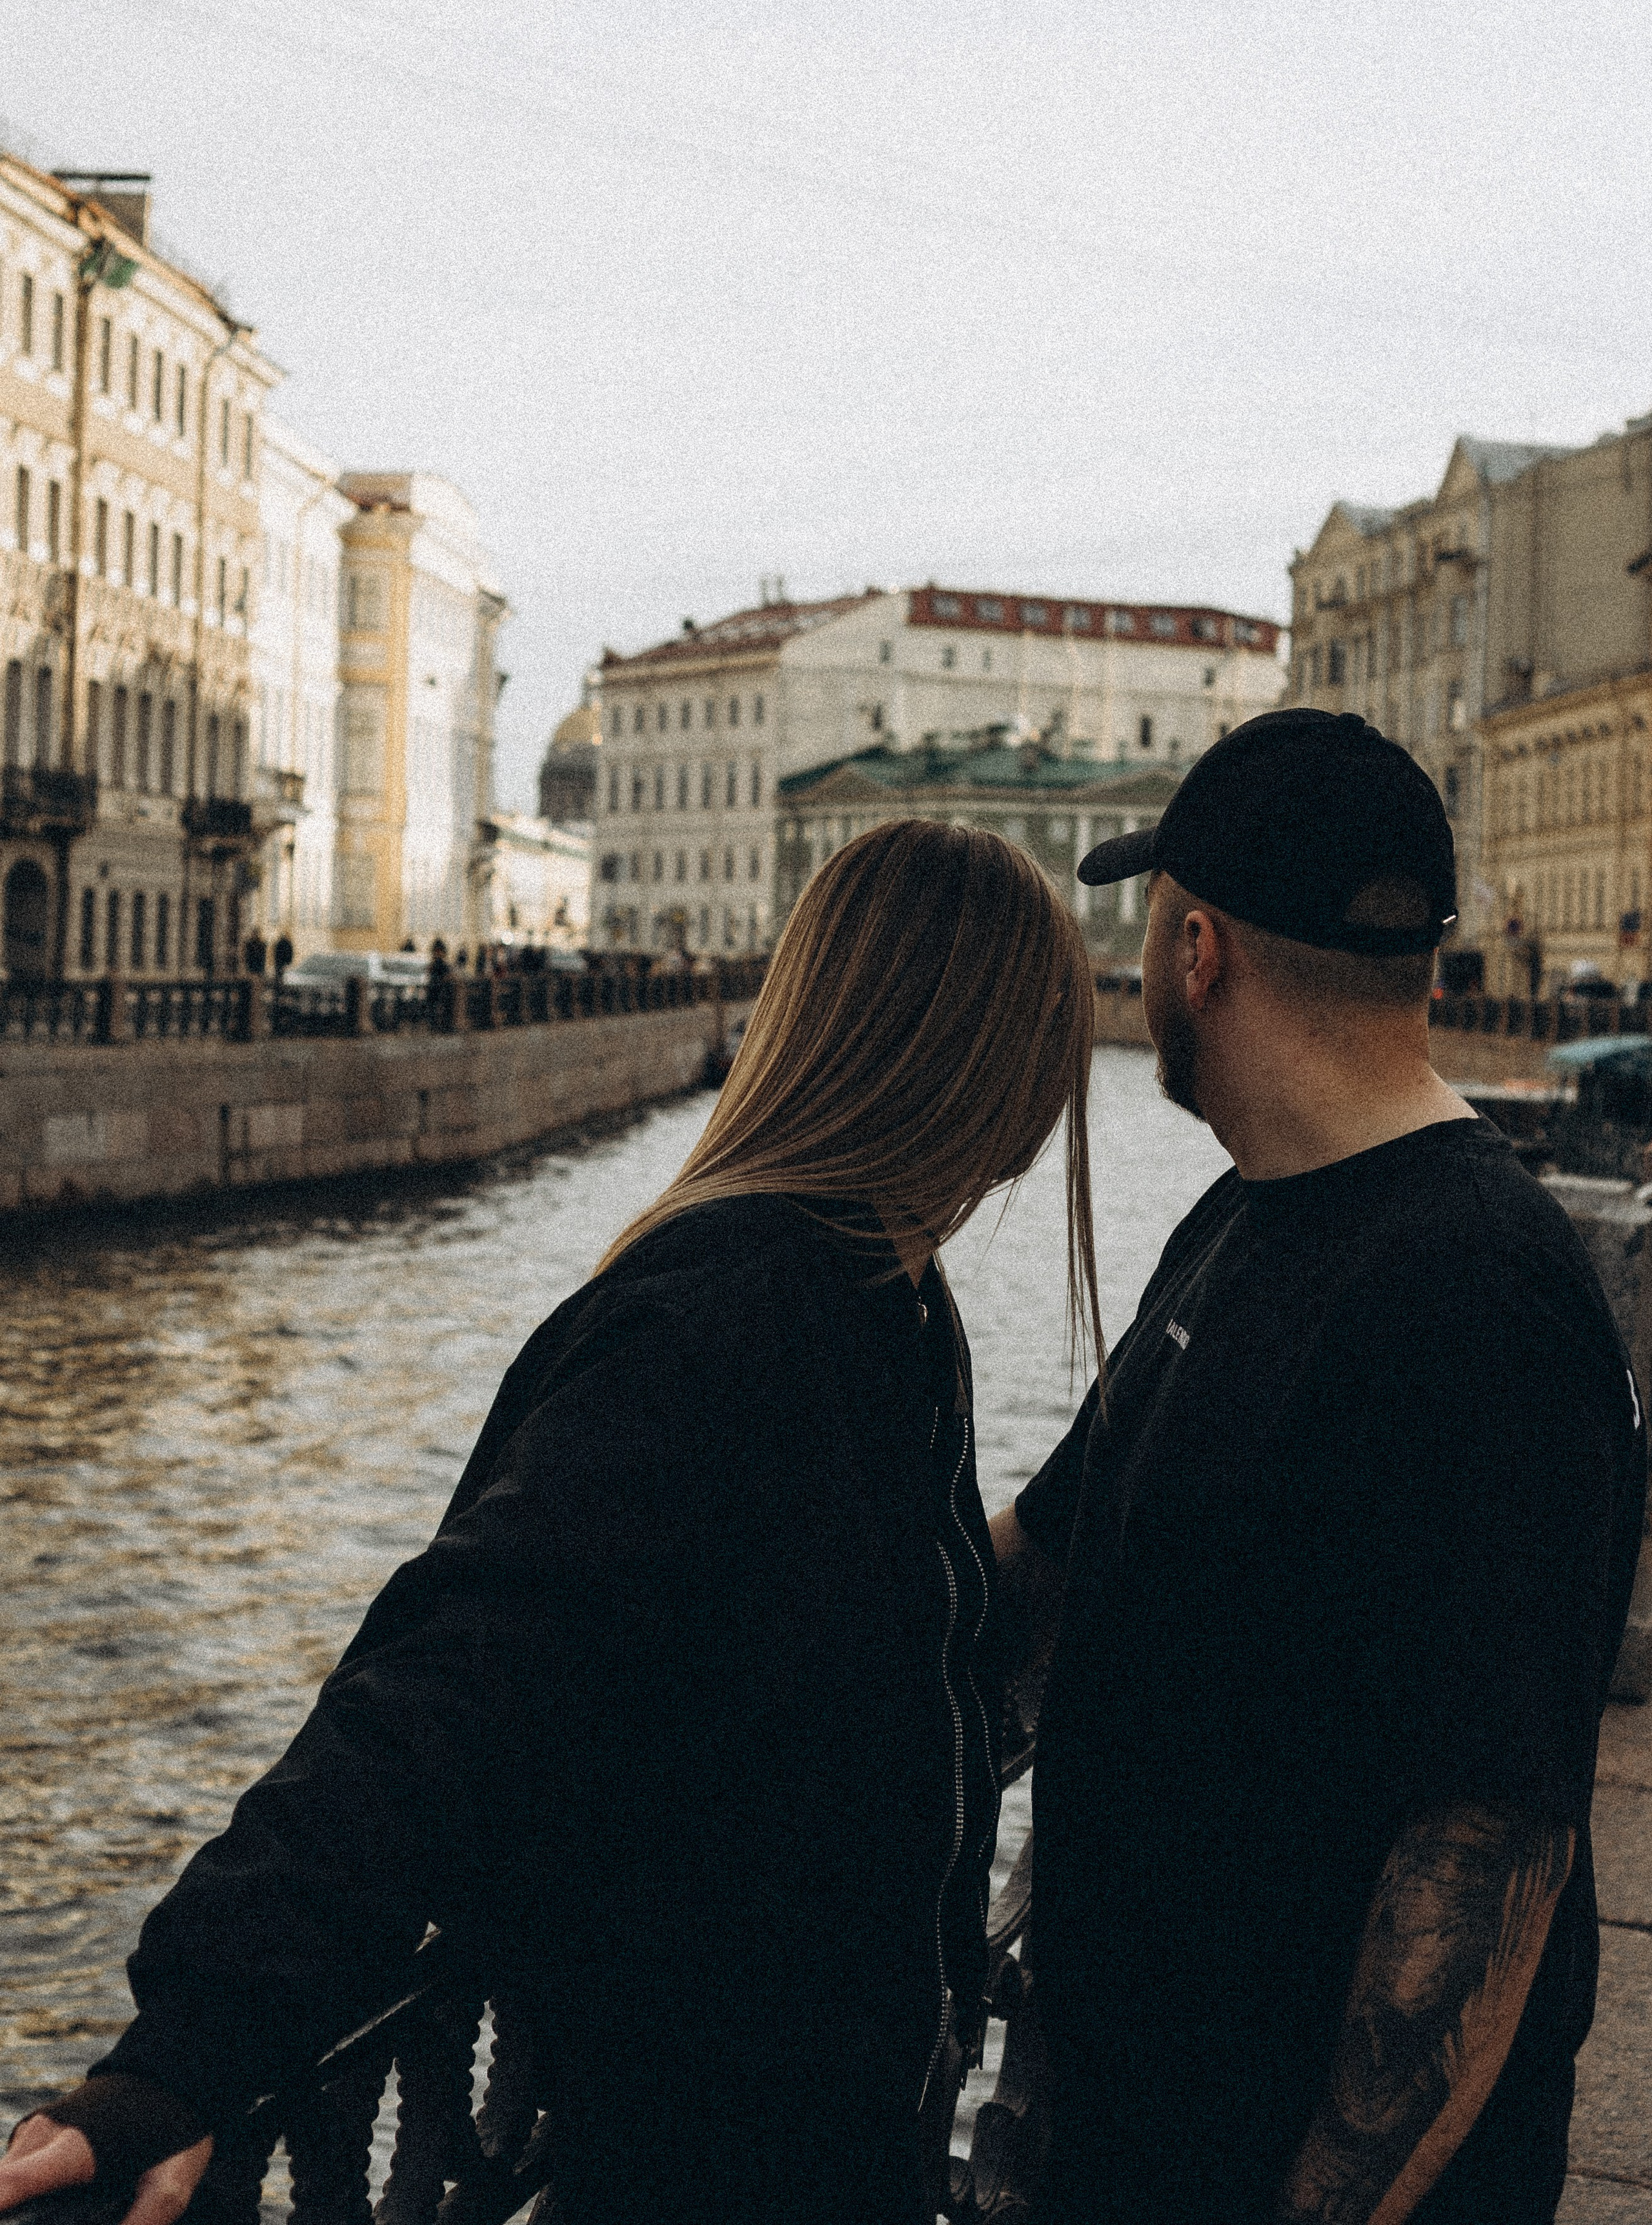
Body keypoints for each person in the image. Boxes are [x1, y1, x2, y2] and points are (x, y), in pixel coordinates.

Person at [0, 819, 1105, 2225]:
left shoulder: (885, 1300)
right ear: (983, 1064)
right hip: (708, 2157)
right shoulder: (727, 1318)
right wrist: (188, 2053)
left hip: (822, 2134)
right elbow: (449, 1685)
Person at [991, 709, 1647, 2224]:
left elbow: (1484, 1846)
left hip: (1264, 2171)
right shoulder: (1243, 1220)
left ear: (1197, 953)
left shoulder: (1480, 1296)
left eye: (1149, 926)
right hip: (1136, 2136)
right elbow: (1054, 1544)